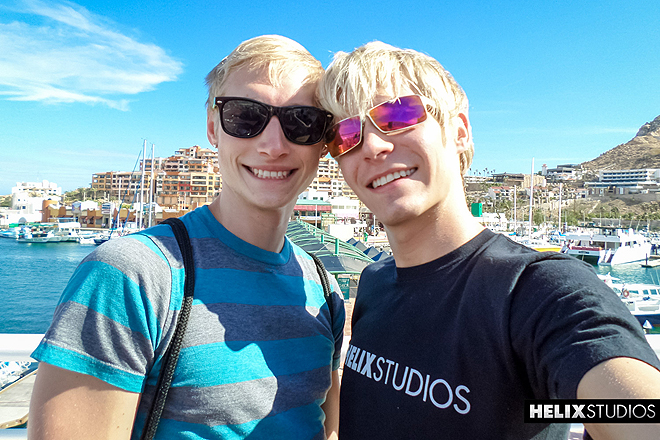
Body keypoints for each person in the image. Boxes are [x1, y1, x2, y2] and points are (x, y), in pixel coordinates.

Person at [318, 41, 660, 439]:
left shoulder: (536, 291)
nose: (373, 145)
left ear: (459, 132)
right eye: (346, 135)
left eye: (397, 115)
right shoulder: (374, 283)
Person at [28, 35, 344, 440]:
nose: (273, 145)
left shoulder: (323, 288)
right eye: (245, 116)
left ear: (324, 141)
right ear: (213, 128)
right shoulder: (131, 276)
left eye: (302, 121)